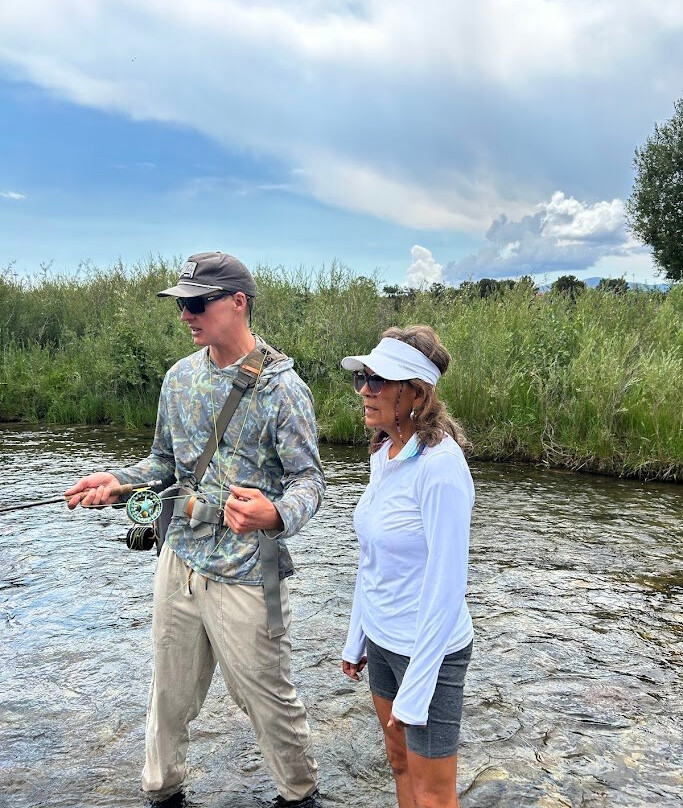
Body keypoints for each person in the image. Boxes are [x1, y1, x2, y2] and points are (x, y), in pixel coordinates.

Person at [65, 252, 325, 808]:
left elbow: (309, 482)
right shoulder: (178, 378)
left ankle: (300, 794)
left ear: (238, 302)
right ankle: (161, 792)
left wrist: (276, 514)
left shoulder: (284, 389)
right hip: (179, 560)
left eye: (197, 303)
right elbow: (162, 465)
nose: (186, 314)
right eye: (181, 304)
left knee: (267, 701)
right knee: (168, 694)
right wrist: (118, 482)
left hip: (248, 572)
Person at [340, 325, 474, 808]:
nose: (365, 390)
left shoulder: (441, 468)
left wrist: (418, 685)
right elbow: (372, 557)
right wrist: (357, 635)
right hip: (382, 640)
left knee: (434, 794)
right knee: (399, 764)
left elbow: (447, 585)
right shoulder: (384, 452)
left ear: (416, 393)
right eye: (362, 378)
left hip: (428, 652)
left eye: (378, 380)